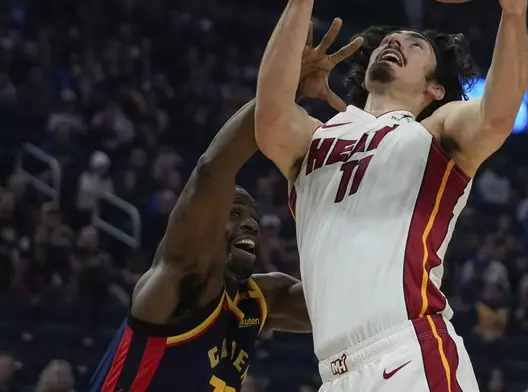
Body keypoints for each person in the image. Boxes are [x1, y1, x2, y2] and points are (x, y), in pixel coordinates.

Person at [254, 0, 528, 390]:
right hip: (334, 373)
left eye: (414, 44)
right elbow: (268, 116)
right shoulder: (314, 140)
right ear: (364, 76)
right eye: (389, 39)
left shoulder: (435, 132)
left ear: (435, 88)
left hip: (410, 351)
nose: (395, 42)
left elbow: (498, 115)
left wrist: (514, 14)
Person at [89, 21, 362, 392]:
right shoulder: (178, 280)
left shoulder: (256, 301)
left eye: (252, 217)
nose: (250, 224)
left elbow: (341, 306)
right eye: (234, 213)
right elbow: (212, 169)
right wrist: (283, 92)